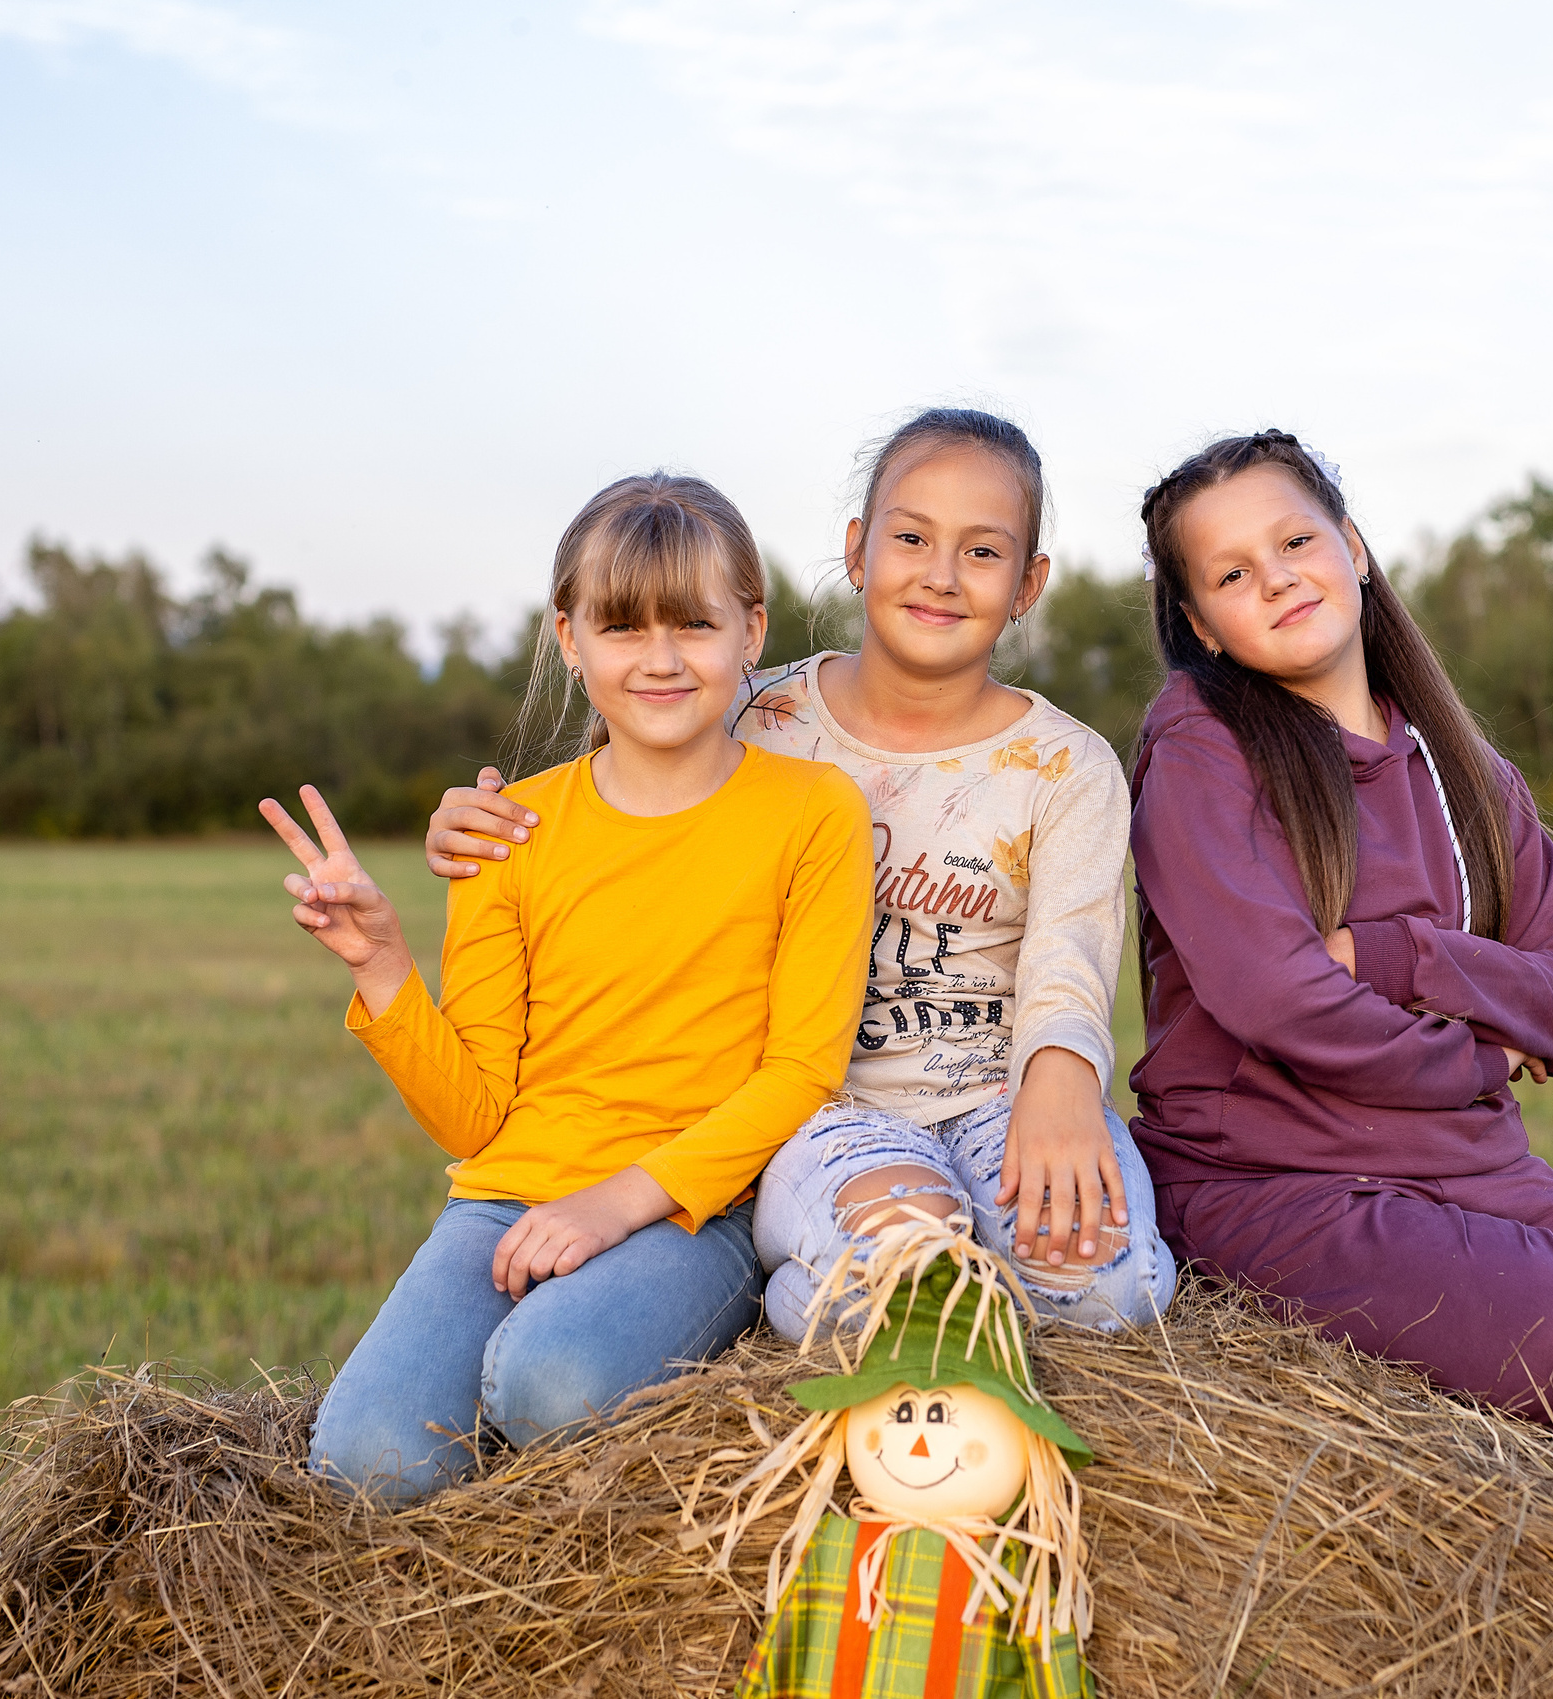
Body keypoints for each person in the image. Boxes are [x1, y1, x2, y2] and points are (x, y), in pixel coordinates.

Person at [1127, 430, 1553, 1510]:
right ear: (1203, 623)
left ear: (1351, 544)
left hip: (1479, 1172)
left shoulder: (1469, 776)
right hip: (1270, 1183)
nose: (1279, 578)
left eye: (1296, 539)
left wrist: (1404, 954)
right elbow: (1275, 996)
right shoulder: (1201, 743)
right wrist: (1479, 1052)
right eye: (1232, 573)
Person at [426, 409, 1176, 1341]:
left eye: (982, 553)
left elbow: (1071, 956)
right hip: (821, 1109)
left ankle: (971, 1266)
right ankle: (786, 1298)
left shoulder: (1067, 765)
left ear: (1028, 584)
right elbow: (621, 790)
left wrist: (1060, 1082)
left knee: (1113, 1293)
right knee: (907, 1281)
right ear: (858, 549)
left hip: (1001, 1093)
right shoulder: (754, 711)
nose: (940, 574)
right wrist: (481, 822)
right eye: (911, 538)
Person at [260, 473, 873, 1503]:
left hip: (694, 1208)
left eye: (694, 622)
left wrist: (613, 1206)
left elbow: (802, 1067)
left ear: (750, 627)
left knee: (552, 1385)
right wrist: (382, 967)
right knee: (367, 1467)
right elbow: (475, 1118)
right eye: (622, 626)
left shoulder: (814, 813)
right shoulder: (510, 834)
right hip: (506, 1203)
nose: (663, 657)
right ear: (568, 638)